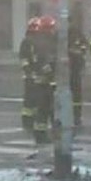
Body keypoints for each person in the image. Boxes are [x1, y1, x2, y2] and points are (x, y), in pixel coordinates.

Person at [31, 16, 57, 144]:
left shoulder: (40, 40)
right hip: (45, 82)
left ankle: (42, 135)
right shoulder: (43, 42)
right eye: (51, 27)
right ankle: (41, 136)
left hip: (42, 82)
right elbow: (44, 61)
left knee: (44, 110)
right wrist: (51, 73)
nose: (53, 30)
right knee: (44, 110)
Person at [19, 17, 40, 130]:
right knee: (29, 100)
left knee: (36, 99)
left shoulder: (36, 41)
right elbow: (24, 58)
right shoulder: (27, 42)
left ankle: (32, 120)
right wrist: (29, 72)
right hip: (30, 76)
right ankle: (27, 121)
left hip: (37, 75)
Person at [68, 21, 89, 127]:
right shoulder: (60, 35)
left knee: (76, 93)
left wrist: (76, 51)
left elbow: (84, 47)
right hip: (64, 70)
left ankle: (76, 116)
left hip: (75, 68)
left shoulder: (78, 34)